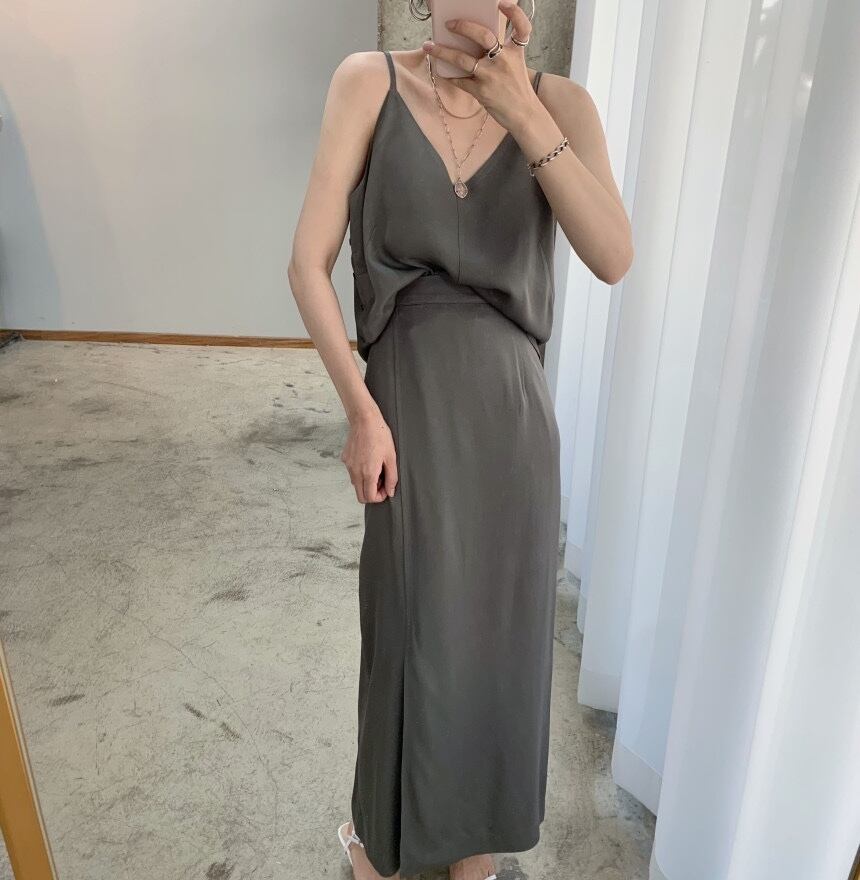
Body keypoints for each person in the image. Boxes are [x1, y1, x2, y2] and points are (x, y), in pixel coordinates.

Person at [288, 1, 632, 877]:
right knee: (407, 631)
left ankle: (472, 854)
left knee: (497, 643)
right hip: (404, 402)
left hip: (512, 418)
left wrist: (522, 109)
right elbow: (307, 263)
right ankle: (379, 837)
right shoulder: (368, 82)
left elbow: (612, 255)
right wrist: (360, 411)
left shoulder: (564, 103)